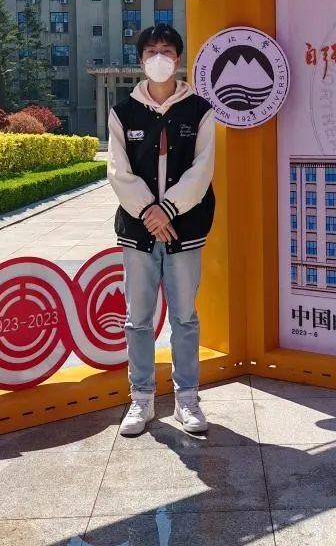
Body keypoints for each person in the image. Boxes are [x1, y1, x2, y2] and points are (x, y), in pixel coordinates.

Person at [107, 23, 216, 436]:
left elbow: (202, 169)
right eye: (151, 51)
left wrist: (168, 209)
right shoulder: (123, 112)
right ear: (140, 60)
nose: (159, 58)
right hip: (138, 231)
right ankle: (141, 398)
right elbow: (118, 170)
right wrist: (149, 212)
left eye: (166, 51)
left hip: (185, 229)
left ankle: (187, 398)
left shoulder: (200, 110)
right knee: (137, 318)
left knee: (184, 317)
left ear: (178, 58)